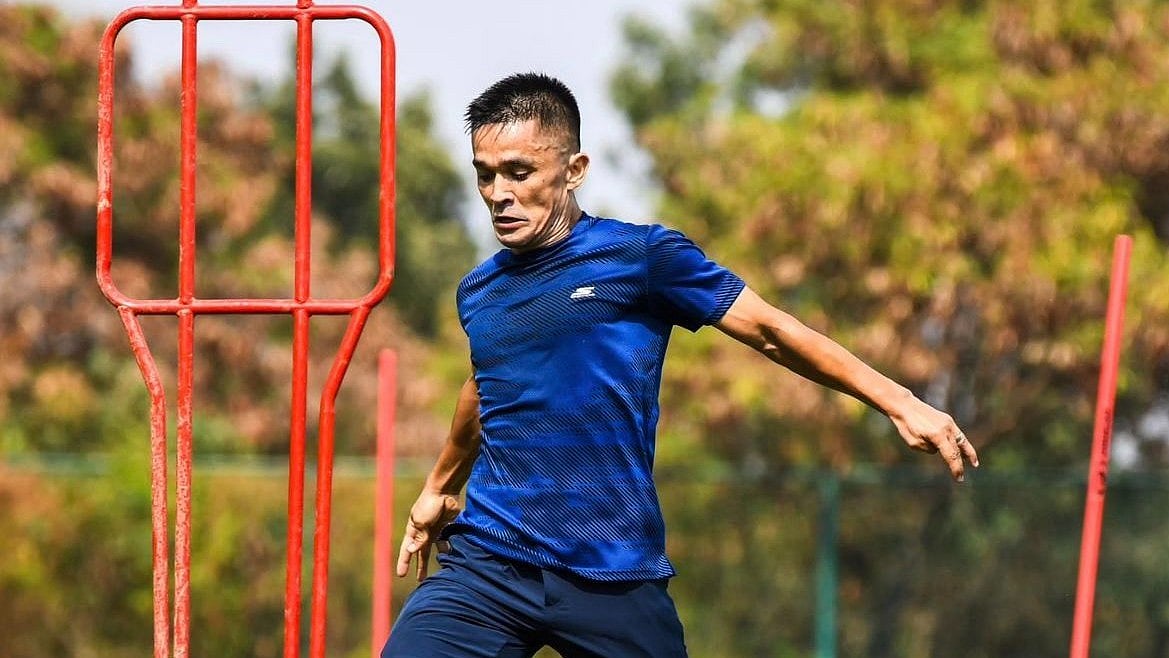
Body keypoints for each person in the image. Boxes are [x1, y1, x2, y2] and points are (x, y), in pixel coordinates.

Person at [381, 72, 979, 658]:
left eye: (519, 172)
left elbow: (772, 331)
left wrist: (902, 402)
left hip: (610, 571)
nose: (498, 193)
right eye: (485, 175)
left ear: (575, 170)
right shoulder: (479, 291)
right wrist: (438, 487)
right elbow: (486, 384)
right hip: (489, 560)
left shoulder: (643, 258)